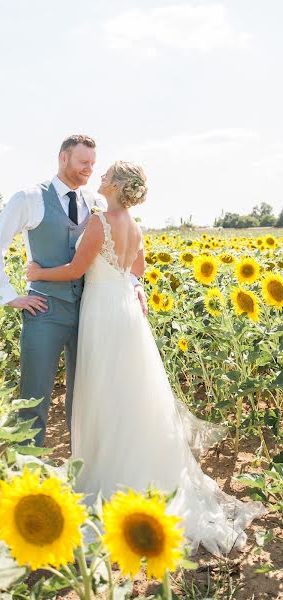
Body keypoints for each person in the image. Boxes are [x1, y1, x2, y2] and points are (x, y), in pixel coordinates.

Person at [26, 160, 267, 556]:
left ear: (118, 186)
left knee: (105, 393)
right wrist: (134, 288)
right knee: (134, 393)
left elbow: (73, 270)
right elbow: (136, 269)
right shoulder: (135, 226)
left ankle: (110, 478)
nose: (99, 177)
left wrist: (37, 270)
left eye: (106, 176)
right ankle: (145, 473)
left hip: (102, 312)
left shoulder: (100, 222)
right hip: (126, 312)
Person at [0, 135, 147, 447]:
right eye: (84, 162)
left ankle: (80, 474)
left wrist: (135, 285)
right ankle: (28, 477)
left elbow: (120, 254)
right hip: (45, 311)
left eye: (94, 164)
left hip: (89, 312)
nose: (89, 169)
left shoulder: (96, 203)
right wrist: (8, 295)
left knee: (84, 399)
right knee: (34, 399)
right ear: (63, 158)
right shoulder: (30, 198)